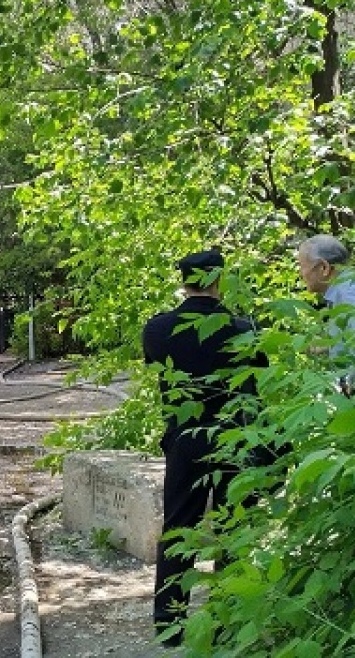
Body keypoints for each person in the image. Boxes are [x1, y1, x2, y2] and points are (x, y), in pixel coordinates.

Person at [142, 249, 267, 647]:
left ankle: (170, 624)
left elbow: (158, 369)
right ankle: (228, 620)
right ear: (219, 280)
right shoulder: (245, 329)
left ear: (184, 281)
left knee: (179, 527)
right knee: (235, 528)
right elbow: (257, 379)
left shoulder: (158, 329)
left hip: (185, 440)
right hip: (235, 439)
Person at [296, 234, 355, 392]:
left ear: (324, 268)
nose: (300, 273)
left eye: (302, 266)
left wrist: (350, 384)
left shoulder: (347, 293)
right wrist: (328, 345)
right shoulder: (351, 283)